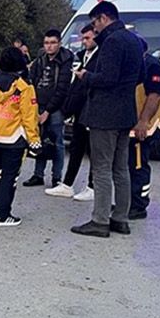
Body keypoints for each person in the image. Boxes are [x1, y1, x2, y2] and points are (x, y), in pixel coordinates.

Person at [70, 1, 143, 238]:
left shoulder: (111, 42)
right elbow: (139, 75)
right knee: (121, 168)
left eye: (95, 22)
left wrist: (85, 76)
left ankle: (100, 220)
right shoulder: (133, 40)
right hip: (125, 113)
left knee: (101, 167)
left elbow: (107, 78)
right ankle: (120, 218)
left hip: (105, 114)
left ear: (103, 18)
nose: (95, 28)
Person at [0, 47, 41, 227]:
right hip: (13, 138)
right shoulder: (24, 87)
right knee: (10, 177)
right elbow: (29, 117)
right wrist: (34, 141)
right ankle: (2, 215)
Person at [127, 37, 160, 220]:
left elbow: (154, 95)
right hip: (133, 123)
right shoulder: (140, 63)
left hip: (145, 125)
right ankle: (129, 200)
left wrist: (143, 121)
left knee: (139, 165)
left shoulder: (153, 66)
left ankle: (139, 205)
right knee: (130, 165)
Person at [23, 29, 73, 189]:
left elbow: (62, 89)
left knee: (57, 142)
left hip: (56, 108)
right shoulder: (40, 60)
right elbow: (32, 80)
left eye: (53, 43)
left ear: (59, 43)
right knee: (40, 140)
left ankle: (57, 177)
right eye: (46, 43)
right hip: (38, 104)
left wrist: (47, 111)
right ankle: (38, 174)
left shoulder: (65, 60)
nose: (49, 47)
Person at [53, 24, 98, 201]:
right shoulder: (81, 56)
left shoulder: (100, 57)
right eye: (83, 38)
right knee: (76, 147)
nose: (84, 41)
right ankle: (68, 184)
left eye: (88, 38)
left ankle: (92, 186)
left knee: (93, 150)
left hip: (92, 109)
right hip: (79, 109)